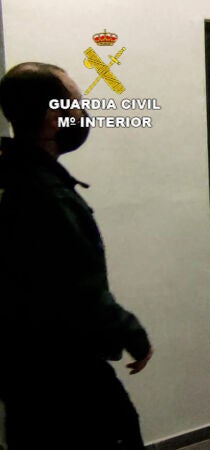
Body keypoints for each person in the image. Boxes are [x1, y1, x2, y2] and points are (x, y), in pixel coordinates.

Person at [0, 62, 153, 449]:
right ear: (54, 118)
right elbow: (81, 290)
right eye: (77, 103)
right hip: (64, 375)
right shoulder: (46, 196)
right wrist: (134, 336)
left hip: (20, 369)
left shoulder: (11, 177)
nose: (83, 113)